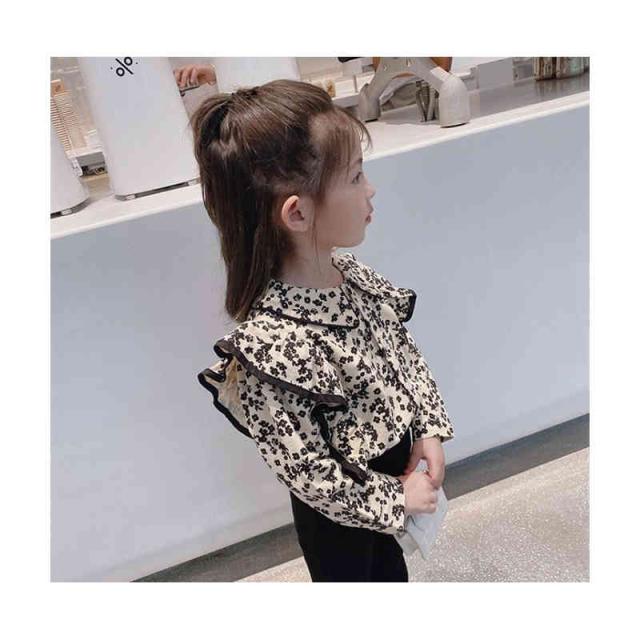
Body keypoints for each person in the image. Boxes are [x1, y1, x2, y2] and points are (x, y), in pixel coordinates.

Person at [190, 80, 455, 582]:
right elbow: (308, 471)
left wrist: (426, 426)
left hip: (394, 483)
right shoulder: (270, 347)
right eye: (355, 176)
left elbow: (402, 354)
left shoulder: (353, 278)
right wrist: (394, 498)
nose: (370, 189)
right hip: (341, 520)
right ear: (298, 212)